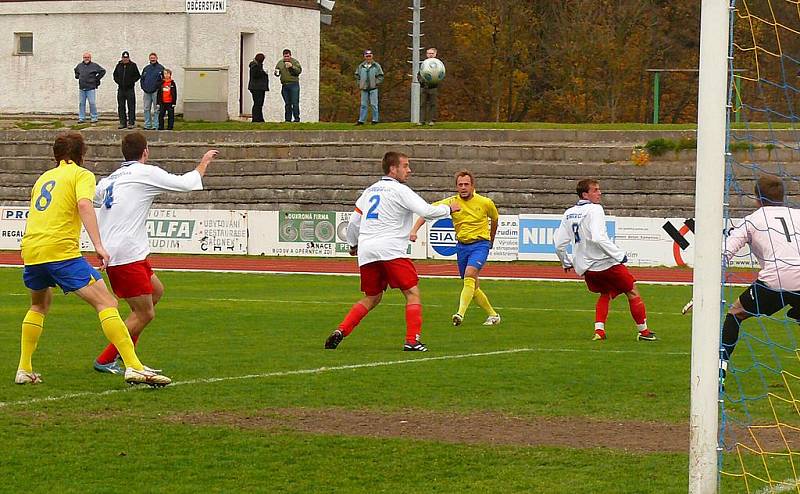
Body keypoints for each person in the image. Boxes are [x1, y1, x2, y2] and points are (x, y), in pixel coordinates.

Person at [15, 131, 170, 387]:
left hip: (32, 250)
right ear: (81, 153)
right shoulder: (81, 174)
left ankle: (24, 369)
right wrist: (98, 245)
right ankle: (133, 366)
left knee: (38, 306)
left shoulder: (43, 178)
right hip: (60, 252)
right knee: (107, 302)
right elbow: (85, 205)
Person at [92, 132, 218, 374]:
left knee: (156, 292)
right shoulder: (144, 173)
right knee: (145, 313)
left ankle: (123, 355)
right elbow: (184, 184)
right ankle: (107, 360)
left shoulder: (110, 179)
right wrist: (203, 163)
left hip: (125, 251)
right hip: (126, 254)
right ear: (145, 152)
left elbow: (93, 195)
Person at [325, 151, 460, 351]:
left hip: (367, 251)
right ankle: (412, 341)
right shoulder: (400, 190)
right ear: (393, 169)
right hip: (391, 249)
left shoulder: (369, 191)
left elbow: (354, 222)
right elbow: (427, 211)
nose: (409, 170)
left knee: (372, 297)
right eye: (405, 166)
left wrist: (353, 245)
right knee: (412, 293)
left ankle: (341, 330)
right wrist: (450, 208)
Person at [718, 175, 800, 384]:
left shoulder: (752, 219)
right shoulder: (797, 215)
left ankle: (720, 369)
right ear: (783, 196)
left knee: (735, 313)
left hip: (775, 279)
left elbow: (726, 252)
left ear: (757, 197)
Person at [553, 178, 657, 342]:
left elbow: (559, 243)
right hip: (606, 263)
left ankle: (599, 331)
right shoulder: (595, 210)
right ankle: (643, 332)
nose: (599, 193)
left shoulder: (569, 213)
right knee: (632, 291)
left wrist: (565, 262)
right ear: (585, 194)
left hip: (588, 268)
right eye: (595, 190)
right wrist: (619, 255)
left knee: (605, 293)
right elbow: (598, 237)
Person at [410, 169, 501, 326]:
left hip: (480, 244)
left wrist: (491, 240)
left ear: (473, 186)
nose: (463, 187)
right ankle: (493, 315)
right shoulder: (452, 203)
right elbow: (428, 212)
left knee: (469, 275)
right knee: (472, 285)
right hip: (462, 247)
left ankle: (460, 314)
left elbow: (495, 219)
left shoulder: (485, 202)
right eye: (460, 185)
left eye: (466, 184)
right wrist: (414, 230)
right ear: (457, 187)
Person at [74, 52, 105, 124]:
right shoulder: (80, 65)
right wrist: (77, 76)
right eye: (85, 57)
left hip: (91, 88)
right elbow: (76, 71)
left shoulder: (94, 65)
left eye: (88, 57)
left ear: (90, 58)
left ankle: (94, 117)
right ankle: (81, 118)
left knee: (92, 103)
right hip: (82, 87)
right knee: (82, 103)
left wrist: (97, 79)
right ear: (83, 58)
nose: (86, 59)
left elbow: (103, 71)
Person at [355, 49, 384, 125]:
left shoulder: (376, 66)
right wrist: (359, 83)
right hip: (364, 88)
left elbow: (380, 76)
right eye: (367, 56)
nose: (368, 58)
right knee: (363, 105)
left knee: (374, 104)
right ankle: (361, 120)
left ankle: (375, 120)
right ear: (364, 57)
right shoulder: (361, 66)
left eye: (369, 56)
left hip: (373, 88)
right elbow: (357, 76)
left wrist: (376, 83)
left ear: (372, 56)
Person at [113, 51, 141, 129]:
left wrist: (131, 82)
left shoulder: (133, 65)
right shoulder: (118, 65)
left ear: (129, 58)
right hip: (121, 89)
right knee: (121, 106)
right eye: (124, 58)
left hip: (130, 89)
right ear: (122, 58)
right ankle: (122, 122)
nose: (125, 59)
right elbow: (115, 75)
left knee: (131, 106)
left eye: (126, 58)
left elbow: (137, 76)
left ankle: (131, 122)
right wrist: (119, 82)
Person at [274, 49, 302, 123]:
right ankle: (287, 119)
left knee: (295, 103)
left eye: (287, 56)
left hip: (294, 85)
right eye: (285, 56)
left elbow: (299, 71)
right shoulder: (280, 63)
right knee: (287, 103)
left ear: (290, 55)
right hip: (285, 85)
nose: (286, 58)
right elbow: (277, 72)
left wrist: (291, 67)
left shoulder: (295, 62)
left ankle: (296, 119)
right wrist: (276, 72)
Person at [140, 52, 164, 131]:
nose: (152, 59)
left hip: (156, 92)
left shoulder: (160, 68)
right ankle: (147, 125)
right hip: (146, 92)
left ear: (156, 58)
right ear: (149, 59)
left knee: (156, 109)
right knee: (146, 108)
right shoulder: (146, 68)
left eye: (154, 57)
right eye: (151, 58)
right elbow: (142, 79)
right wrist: (143, 87)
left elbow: (163, 80)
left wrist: (156, 87)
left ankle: (155, 125)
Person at [418, 47, 440, 126]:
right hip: (423, 87)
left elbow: (440, 75)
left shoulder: (438, 64)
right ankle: (421, 121)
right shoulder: (423, 64)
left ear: (435, 54)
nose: (430, 55)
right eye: (429, 53)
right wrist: (421, 82)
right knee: (422, 104)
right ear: (426, 54)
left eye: (432, 53)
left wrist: (434, 82)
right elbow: (419, 74)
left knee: (432, 104)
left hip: (433, 87)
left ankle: (432, 120)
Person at [248, 53, 269, 123]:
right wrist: (264, 73)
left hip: (257, 87)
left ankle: (259, 118)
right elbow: (256, 75)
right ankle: (256, 119)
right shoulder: (255, 66)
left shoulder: (255, 65)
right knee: (258, 104)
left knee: (258, 104)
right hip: (257, 88)